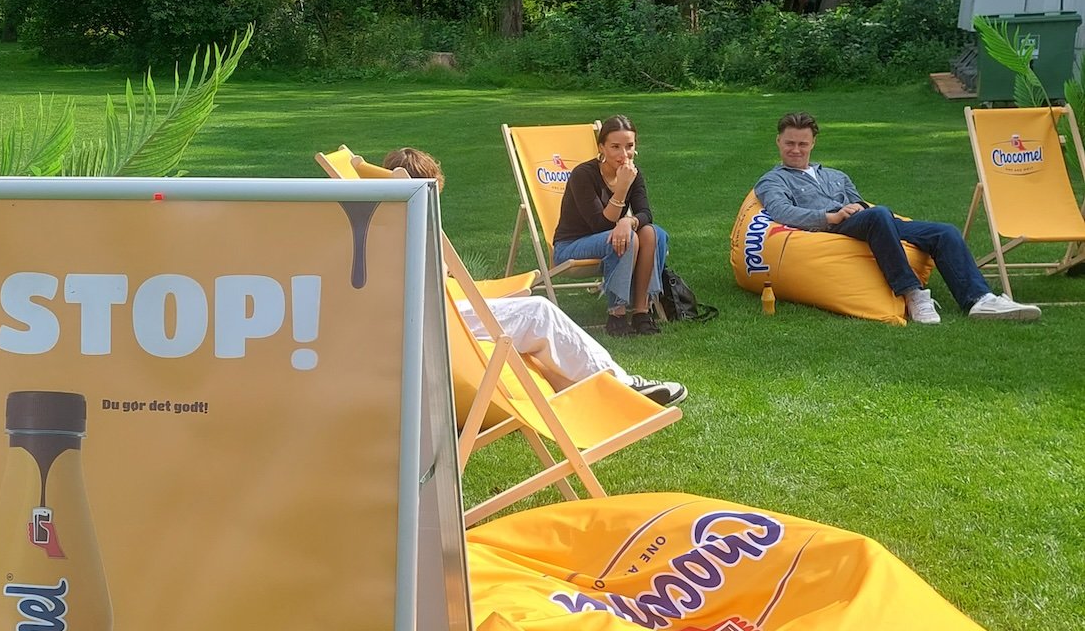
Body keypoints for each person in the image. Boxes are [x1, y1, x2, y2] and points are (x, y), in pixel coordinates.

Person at [382, 149, 686, 406]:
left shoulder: (384, 223)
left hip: (431, 310)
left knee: (528, 312)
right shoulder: (407, 228)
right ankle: (622, 386)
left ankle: (592, 392)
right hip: (432, 319)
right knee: (538, 313)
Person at [753, 111, 1040, 324]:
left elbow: (857, 200)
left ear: (813, 143)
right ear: (778, 142)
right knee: (878, 214)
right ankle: (913, 294)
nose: (795, 150)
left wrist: (857, 208)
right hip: (834, 228)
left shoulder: (835, 175)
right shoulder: (773, 180)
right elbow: (782, 212)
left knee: (944, 232)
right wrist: (832, 215)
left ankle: (979, 299)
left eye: (802, 144)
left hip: (868, 221)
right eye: (789, 143)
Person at [550, 116, 668, 337]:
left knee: (653, 233)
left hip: (610, 238)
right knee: (628, 238)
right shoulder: (583, 175)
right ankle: (617, 314)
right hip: (571, 246)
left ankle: (642, 310)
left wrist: (628, 220)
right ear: (601, 147)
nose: (624, 154)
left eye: (629, 146)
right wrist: (622, 188)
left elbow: (645, 214)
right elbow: (600, 224)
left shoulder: (635, 173)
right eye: (615, 147)